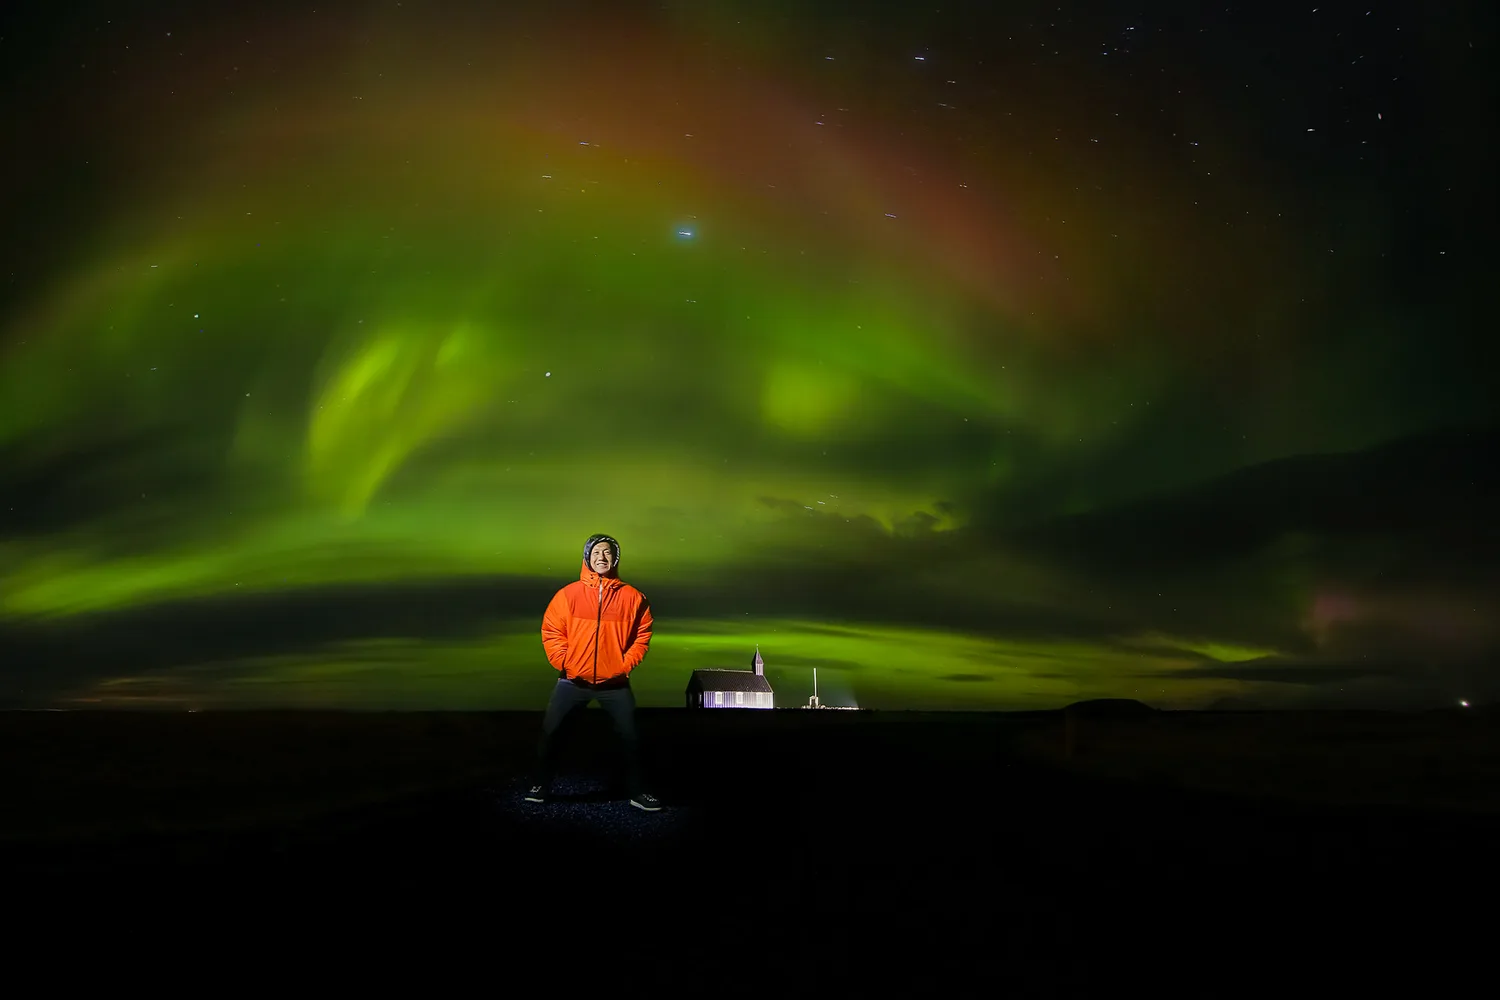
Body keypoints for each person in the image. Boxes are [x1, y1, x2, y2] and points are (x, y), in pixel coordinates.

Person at [525, 533, 661, 811]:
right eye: (597, 552)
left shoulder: (633, 597)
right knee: (552, 732)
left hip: (615, 683)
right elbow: (552, 631)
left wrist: (624, 665)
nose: (602, 557)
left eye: (608, 552)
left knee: (631, 737)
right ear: (587, 557)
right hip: (572, 680)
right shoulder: (568, 595)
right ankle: (540, 785)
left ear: (616, 558)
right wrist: (566, 663)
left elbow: (642, 635)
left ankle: (638, 792)